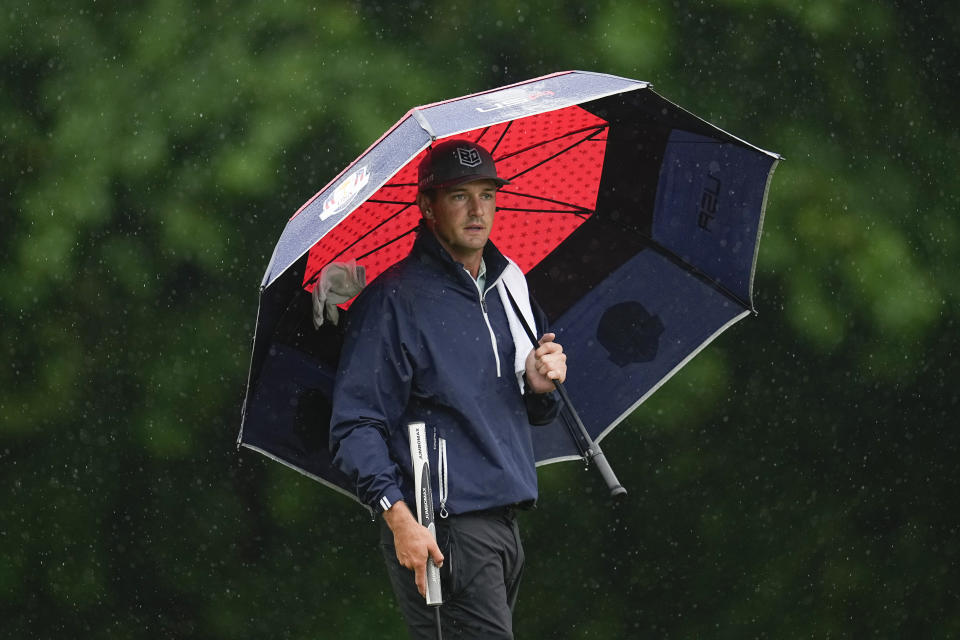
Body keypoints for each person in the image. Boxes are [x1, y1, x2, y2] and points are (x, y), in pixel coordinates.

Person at [329, 139, 567, 639]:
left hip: (504, 523)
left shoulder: (510, 287)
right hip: (442, 529)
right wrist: (400, 521)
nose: (479, 210)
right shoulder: (394, 299)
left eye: (488, 195)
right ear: (427, 206)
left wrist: (540, 388)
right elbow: (356, 425)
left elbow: (532, 411)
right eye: (460, 196)